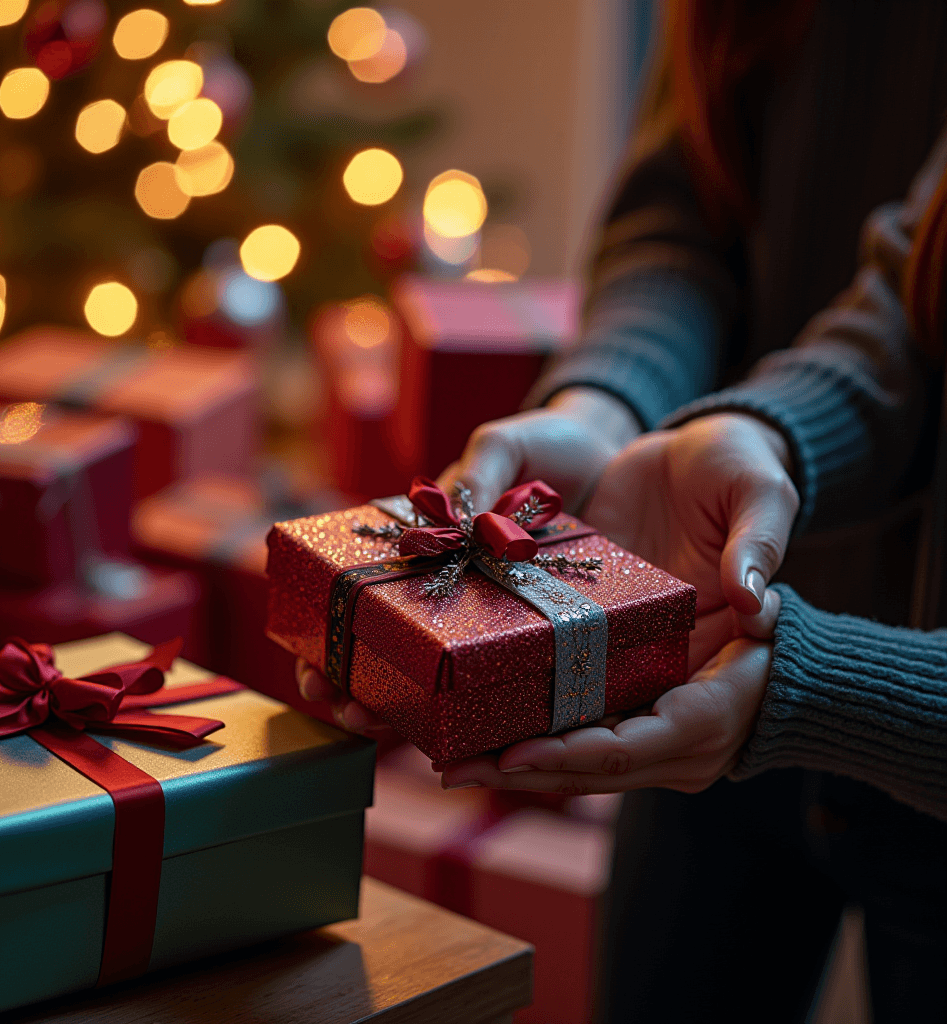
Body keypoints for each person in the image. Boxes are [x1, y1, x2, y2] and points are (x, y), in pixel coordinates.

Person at [299, 1, 947, 1019]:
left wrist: (820, 686)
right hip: (693, 628)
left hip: (812, 680)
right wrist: (612, 406)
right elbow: (891, 318)